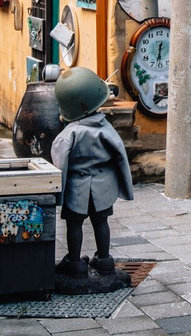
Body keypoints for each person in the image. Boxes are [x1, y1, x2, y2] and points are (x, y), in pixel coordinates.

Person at [50, 67, 133, 277]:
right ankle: (104, 259)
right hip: (102, 185)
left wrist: (57, 192)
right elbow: (120, 154)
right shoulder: (105, 128)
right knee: (101, 222)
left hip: (77, 187)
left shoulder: (70, 134)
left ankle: (75, 261)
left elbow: (59, 161)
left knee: (74, 224)